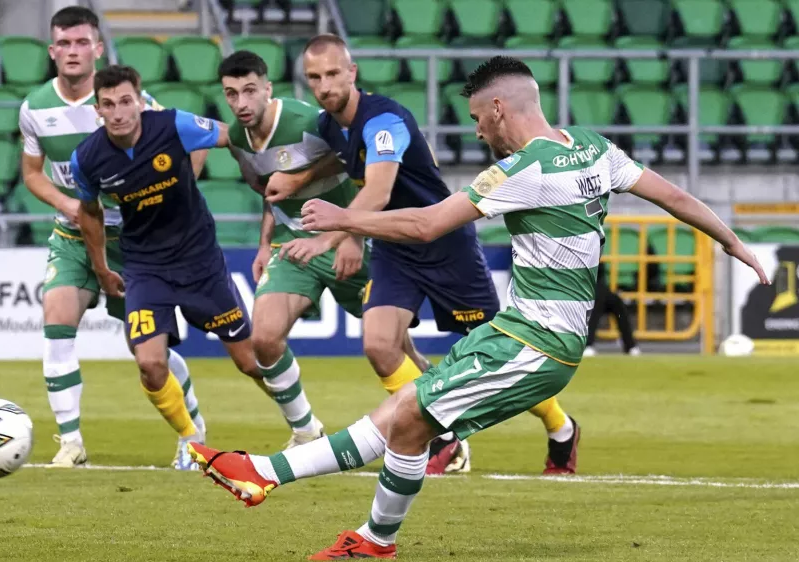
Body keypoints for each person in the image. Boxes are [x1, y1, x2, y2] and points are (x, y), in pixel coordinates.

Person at [186, 55, 770, 560]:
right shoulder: (594, 149)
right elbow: (673, 195)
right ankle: (359, 529)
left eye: (476, 120)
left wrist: (344, 219)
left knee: (411, 414)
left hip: (537, 343)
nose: (478, 133)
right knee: (406, 414)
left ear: (497, 108)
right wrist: (732, 242)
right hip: (520, 332)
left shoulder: (523, 169)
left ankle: (269, 477)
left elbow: (428, 223)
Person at [266, 35, 582, 475]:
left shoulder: (386, 119)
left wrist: (329, 237)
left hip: (445, 244)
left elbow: (377, 190)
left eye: (333, 73)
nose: (324, 85)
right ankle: (445, 439)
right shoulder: (327, 126)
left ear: (352, 73)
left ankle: (561, 426)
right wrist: (301, 181)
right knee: (380, 344)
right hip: (397, 250)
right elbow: (343, 158)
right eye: (315, 77)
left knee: (499, 356)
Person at [218, 50, 439, 454]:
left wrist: (351, 235)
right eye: (231, 94)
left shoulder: (310, 120)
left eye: (250, 91)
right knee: (264, 340)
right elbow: (271, 191)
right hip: (294, 245)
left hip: (348, 241)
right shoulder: (237, 139)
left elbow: (352, 164)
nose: (242, 103)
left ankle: (440, 429)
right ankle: (306, 431)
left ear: (268, 88)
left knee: (393, 349)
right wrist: (265, 243)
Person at [17, 6, 208, 468]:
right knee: (56, 319)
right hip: (74, 236)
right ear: (51, 51)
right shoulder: (34, 108)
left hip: (135, 244)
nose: (73, 51)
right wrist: (68, 206)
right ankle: (70, 443)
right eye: (64, 43)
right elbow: (32, 174)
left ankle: (193, 434)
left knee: (147, 352)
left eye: (82, 42)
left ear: (98, 48)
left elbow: (193, 148)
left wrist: (169, 198)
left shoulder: (129, 101)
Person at [71, 64, 267, 471]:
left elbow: (230, 135)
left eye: (126, 101)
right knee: (149, 363)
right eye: (109, 104)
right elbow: (88, 213)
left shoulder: (172, 124)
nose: (119, 111)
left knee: (250, 362)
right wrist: (102, 268)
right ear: (98, 110)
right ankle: (191, 438)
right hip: (145, 267)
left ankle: (306, 425)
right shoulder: (87, 159)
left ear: (139, 102)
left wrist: (255, 175)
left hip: (199, 259)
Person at [584, 261, 641, 356]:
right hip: (584, 288)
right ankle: (588, 344)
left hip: (597, 287)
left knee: (617, 303)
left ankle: (630, 345)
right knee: (596, 303)